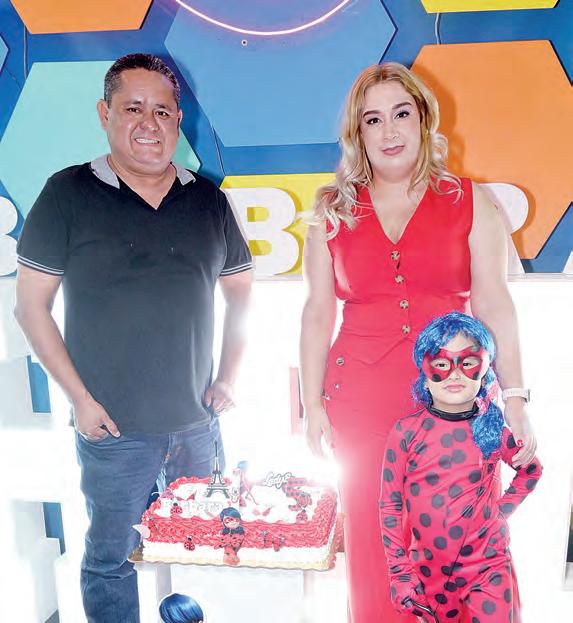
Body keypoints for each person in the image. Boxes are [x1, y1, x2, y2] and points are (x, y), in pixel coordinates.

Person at [14, 53, 252, 622]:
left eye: (163, 111)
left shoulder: (207, 201)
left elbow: (241, 294)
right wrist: (80, 400)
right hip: (113, 430)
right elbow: (31, 308)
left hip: (196, 426)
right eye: (133, 108)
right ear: (105, 113)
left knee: (208, 555)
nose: (149, 123)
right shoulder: (68, 194)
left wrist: (228, 378)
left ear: (178, 121)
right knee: (110, 562)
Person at [299, 62, 536, 622]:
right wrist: (312, 405)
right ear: (357, 134)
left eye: (401, 113)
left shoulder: (470, 201)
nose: (389, 131)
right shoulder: (332, 209)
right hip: (360, 405)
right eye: (372, 119)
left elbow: (494, 304)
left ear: (424, 119)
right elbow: (316, 313)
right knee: (376, 545)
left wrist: (516, 398)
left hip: (455, 403)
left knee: (462, 543)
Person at [379, 312, 542, 623]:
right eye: (442, 363)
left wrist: (499, 513)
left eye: (467, 363)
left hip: (488, 564)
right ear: (424, 370)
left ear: (484, 369)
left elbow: (531, 470)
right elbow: (389, 505)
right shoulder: (406, 433)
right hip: (431, 572)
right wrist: (399, 572)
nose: (455, 375)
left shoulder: (492, 431)